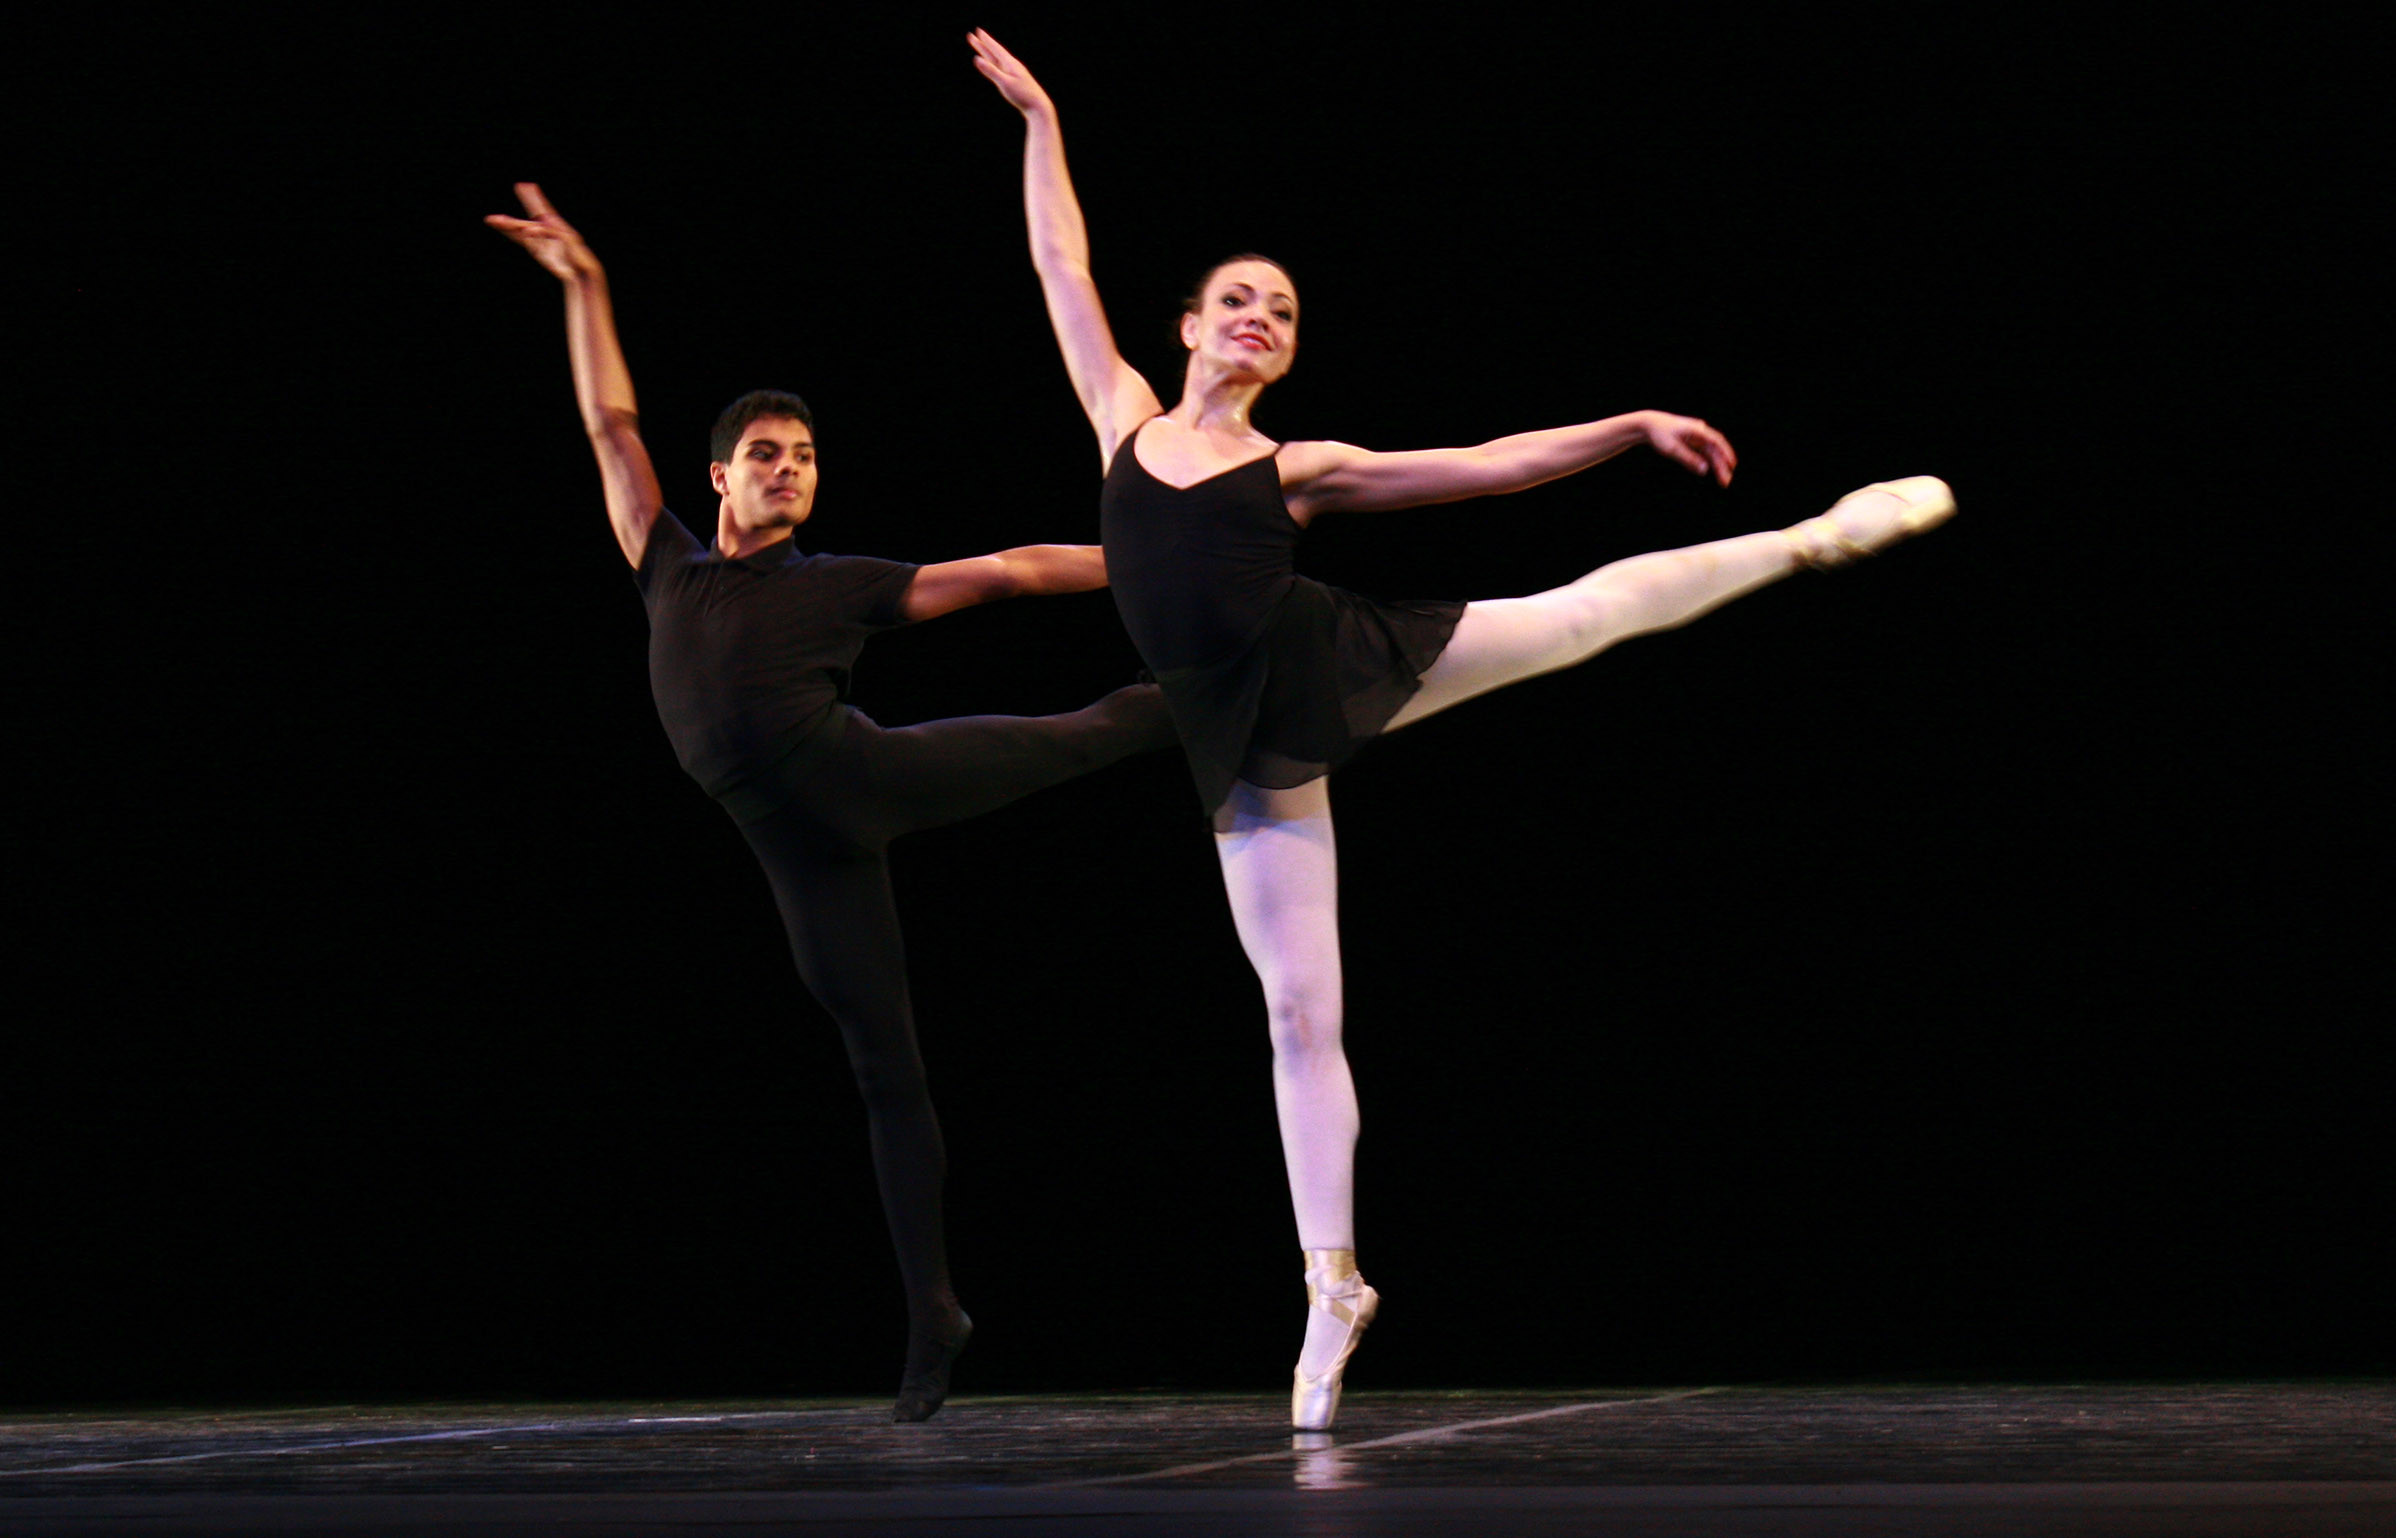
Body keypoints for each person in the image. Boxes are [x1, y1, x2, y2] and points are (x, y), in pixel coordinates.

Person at [968, 31, 1955, 1431]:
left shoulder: (1293, 468)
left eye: (1285, 309)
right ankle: (1335, 1279)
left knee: (1573, 615)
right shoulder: (1121, 416)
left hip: (1336, 663)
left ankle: (1810, 537)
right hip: (1242, 746)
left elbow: (1486, 468)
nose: (1260, 314)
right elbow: (1060, 264)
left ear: (1286, 352)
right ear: (1185, 325)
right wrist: (1044, 119)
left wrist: (1628, 423)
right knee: (1301, 1011)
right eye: (1238, 298)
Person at [487, 183, 1173, 1422]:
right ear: (721, 476)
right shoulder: (667, 563)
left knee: (1071, 738)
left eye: (804, 457)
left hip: (859, 776)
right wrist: (586, 285)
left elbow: (1006, 572)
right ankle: (933, 1316)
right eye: (766, 455)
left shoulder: (840, 582)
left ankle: (1207, 677)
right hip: (798, 854)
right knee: (883, 1069)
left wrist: (1145, 563)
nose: (789, 470)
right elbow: (606, 424)